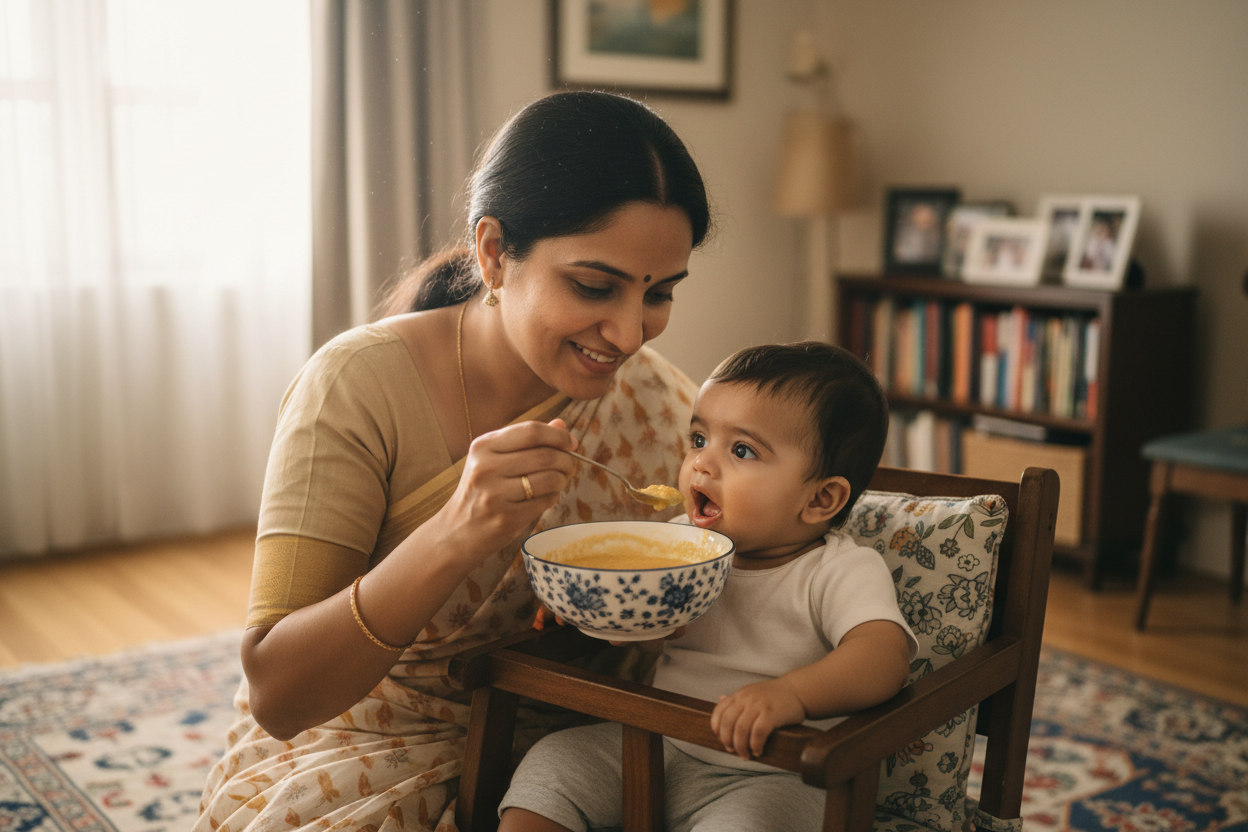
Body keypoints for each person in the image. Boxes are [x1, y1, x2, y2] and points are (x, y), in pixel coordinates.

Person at [194, 90, 712, 832]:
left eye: (659, 293)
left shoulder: (658, 404)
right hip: (362, 743)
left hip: (581, 743)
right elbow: (281, 693)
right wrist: (454, 533)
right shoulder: (355, 385)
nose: (631, 334)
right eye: (594, 287)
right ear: (495, 253)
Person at [497, 341, 919, 832]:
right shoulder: (679, 543)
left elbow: (884, 658)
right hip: (657, 743)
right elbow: (653, 625)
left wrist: (792, 695)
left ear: (822, 498)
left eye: (741, 450)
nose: (701, 463)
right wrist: (591, 608)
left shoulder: (838, 569)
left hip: (769, 777)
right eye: (698, 439)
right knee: (555, 761)